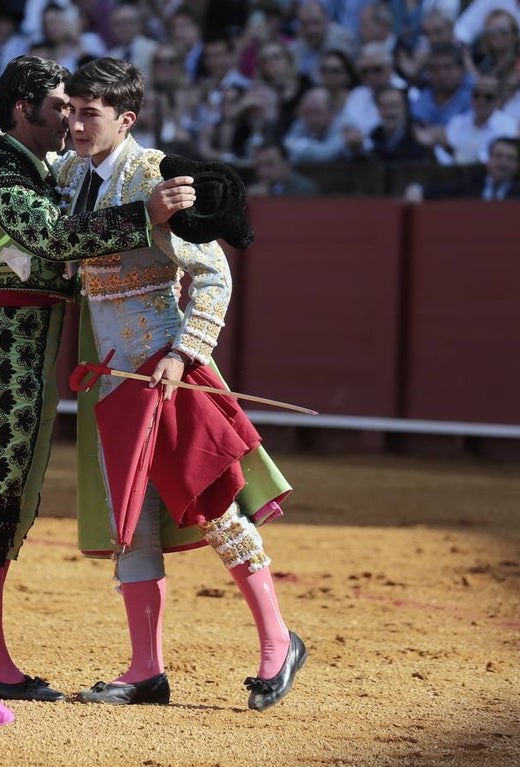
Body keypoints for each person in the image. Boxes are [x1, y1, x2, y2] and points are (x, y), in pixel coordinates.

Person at [0, 54, 196, 704]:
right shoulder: (1, 175)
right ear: (26, 111)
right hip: (11, 348)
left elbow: (41, 172)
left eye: (81, 110)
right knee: (2, 492)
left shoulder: (11, 159)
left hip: (29, 340)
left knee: (6, 490)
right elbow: (54, 238)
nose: (71, 120)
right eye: (58, 108)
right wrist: (144, 215)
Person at [52, 57, 304, 711]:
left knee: (215, 506)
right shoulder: (72, 173)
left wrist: (184, 352)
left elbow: (213, 274)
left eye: (89, 114)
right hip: (112, 377)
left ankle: (279, 640)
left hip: (164, 374)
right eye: (71, 110)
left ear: (124, 120)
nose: (75, 124)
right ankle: (145, 669)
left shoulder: (155, 176)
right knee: (131, 522)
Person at [404, 135, 520, 199]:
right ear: (488, 160)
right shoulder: (471, 184)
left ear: (517, 165)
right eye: (498, 156)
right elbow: (441, 192)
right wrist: (418, 190)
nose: (503, 163)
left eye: (510, 158)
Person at [247, 140, 322, 196]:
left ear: (286, 164)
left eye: (270, 164)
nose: (263, 171)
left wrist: (269, 198)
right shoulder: (253, 189)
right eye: (259, 166)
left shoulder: (304, 189)